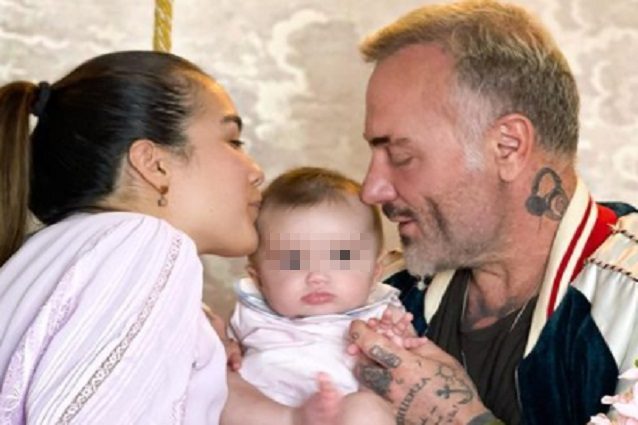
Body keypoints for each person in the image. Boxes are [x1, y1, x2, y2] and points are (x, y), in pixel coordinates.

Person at [346, 1, 638, 424]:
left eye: (402, 155)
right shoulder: (377, 295)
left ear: (508, 146)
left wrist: (461, 419)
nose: (372, 189)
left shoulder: (629, 301)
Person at [0, 50, 312, 424]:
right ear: (153, 163)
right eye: (233, 142)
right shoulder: (143, 241)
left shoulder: (45, 252)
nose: (256, 171)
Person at [229, 166, 413, 424]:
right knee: (222, 386)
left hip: (347, 414)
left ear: (375, 273)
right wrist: (225, 348)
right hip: (270, 410)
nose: (316, 276)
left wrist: (398, 340)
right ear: (259, 278)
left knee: (367, 408)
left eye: (340, 257)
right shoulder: (250, 313)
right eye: (293, 261)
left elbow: (413, 372)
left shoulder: (384, 315)